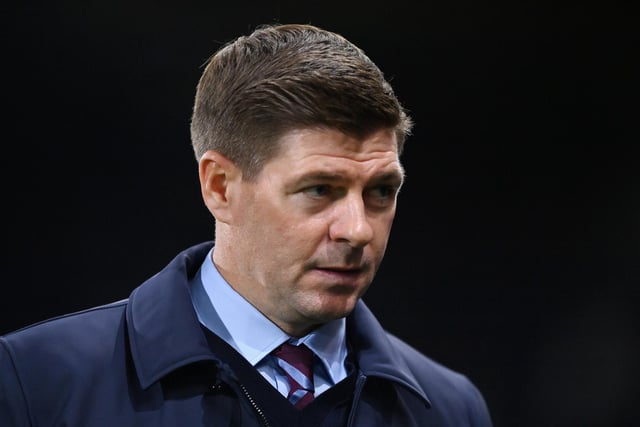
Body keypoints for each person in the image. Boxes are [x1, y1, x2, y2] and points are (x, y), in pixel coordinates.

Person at [0, 23, 493, 426]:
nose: (358, 230)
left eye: (381, 191)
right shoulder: (33, 383)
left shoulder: (450, 409)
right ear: (220, 187)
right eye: (319, 189)